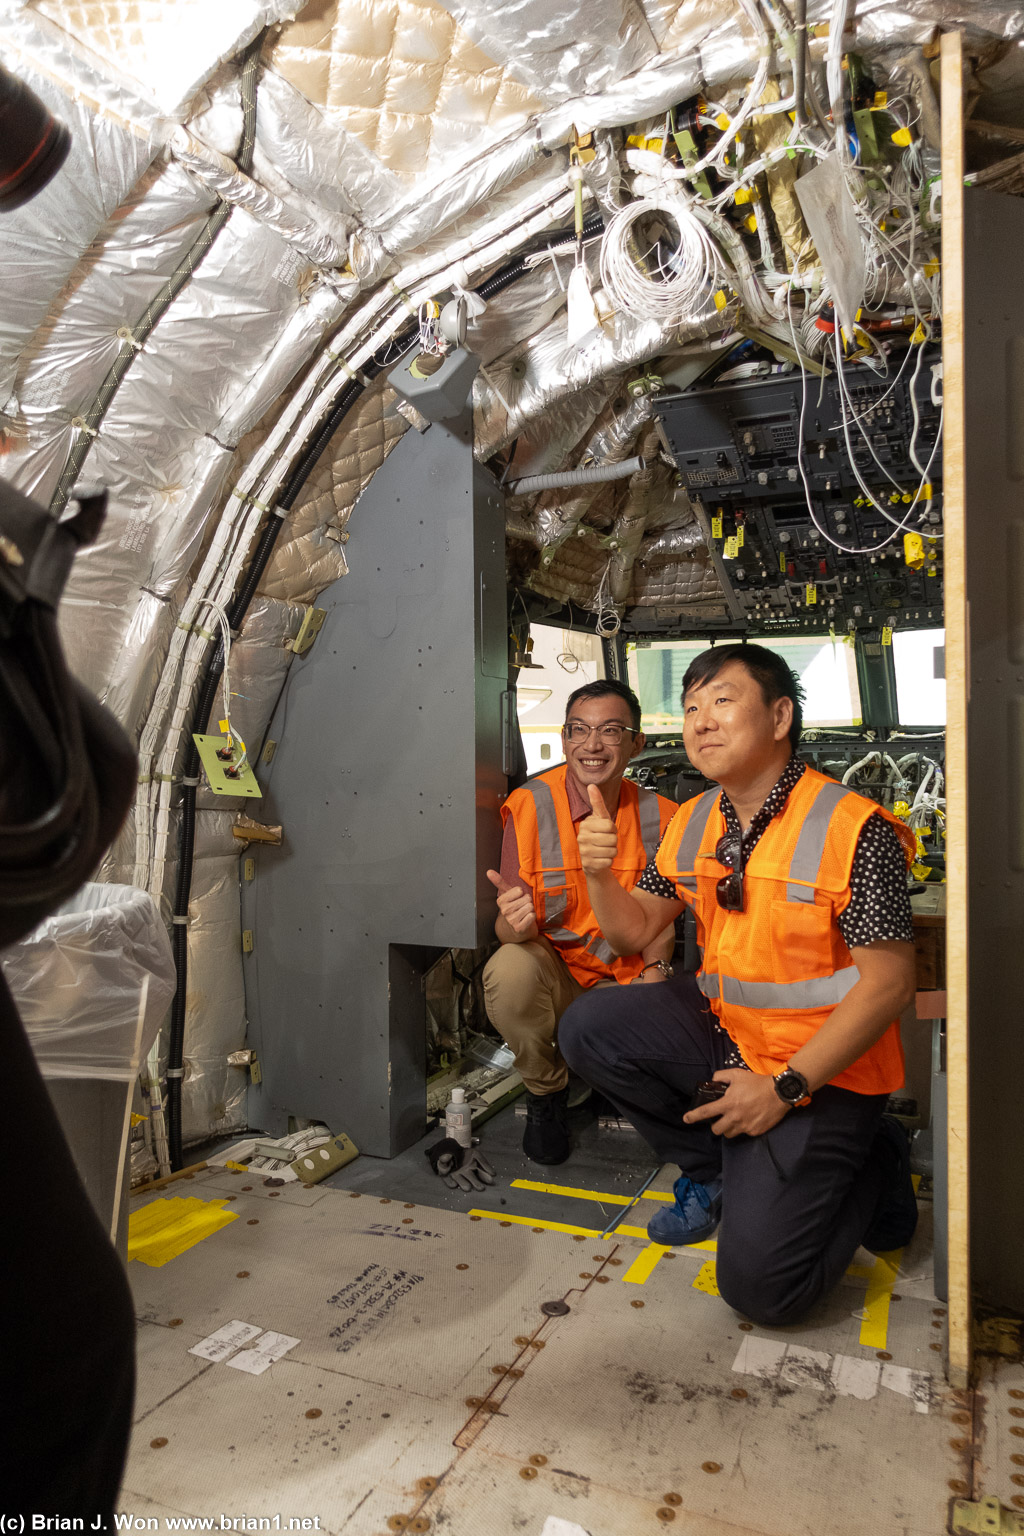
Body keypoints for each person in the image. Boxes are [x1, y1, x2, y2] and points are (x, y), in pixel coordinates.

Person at [559, 643, 920, 1327]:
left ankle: (874, 1156)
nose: (701, 721)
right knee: (588, 1027)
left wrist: (784, 1089)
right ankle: (724, 1165)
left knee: (762, 1294)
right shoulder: (696, 819)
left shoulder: (852, 830)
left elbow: (890, 986)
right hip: (730, 1035)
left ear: (780, 716)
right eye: (691, 707)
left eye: (722, 701)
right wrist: (600, 877)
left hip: (825, 1067)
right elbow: (635, 933)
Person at [484, 678, 677, 1165]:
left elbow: (664, 919)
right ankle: (546, 1094)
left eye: (610, 731)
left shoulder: (665, 817)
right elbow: (508, 930)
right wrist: (516, 924)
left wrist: (657, 973)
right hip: (559, 976)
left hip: (625, 979)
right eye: (579, 730)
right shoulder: (529, 805)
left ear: (637, 744)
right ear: (565, 738)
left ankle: (609, 1078)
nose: (592, 745)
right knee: (509, 968)